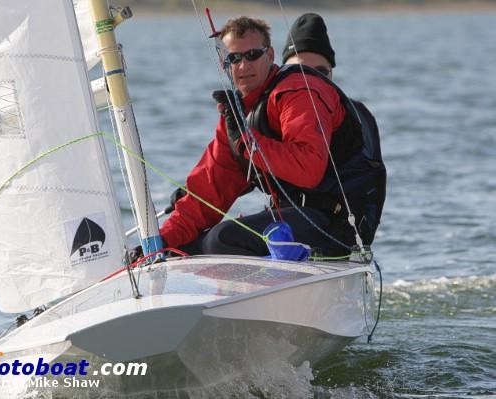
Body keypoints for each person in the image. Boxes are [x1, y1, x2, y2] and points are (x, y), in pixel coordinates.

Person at [159, 14, 385, 257]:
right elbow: (206, 197)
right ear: (224, 64)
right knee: (180, 249)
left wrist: (246, 143)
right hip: (293, 220)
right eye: (233, 58)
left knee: (221, 240)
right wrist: (158, 243)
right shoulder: (237, 119)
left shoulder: (298, 91)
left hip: (338, 224)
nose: (243, 65)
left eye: (252, 55)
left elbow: (307, 169)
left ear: (270, 55)